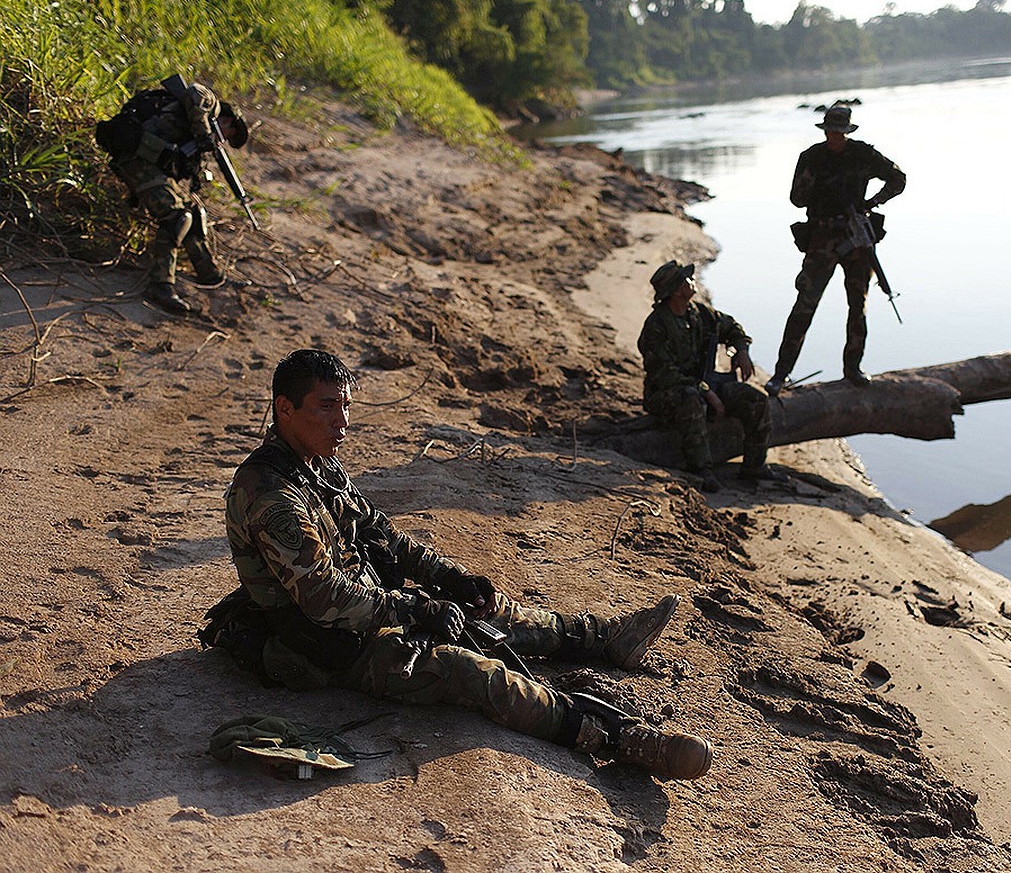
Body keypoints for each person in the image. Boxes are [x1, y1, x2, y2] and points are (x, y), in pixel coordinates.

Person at [201, 349, 712, 781]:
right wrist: (415, 610)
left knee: (484, 610)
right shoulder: (271, 494)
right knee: (471, 671)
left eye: (347, 407)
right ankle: (619, 739)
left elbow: (384, 536)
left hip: (365, 609)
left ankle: (598, 637)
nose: (343, 422)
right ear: (284, 409)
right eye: (327, 407)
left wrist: (447, 578)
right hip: (326, 646)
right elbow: (325, 600)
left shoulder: (316, 463)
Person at [765, 104, 906, 393]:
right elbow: (797, 199)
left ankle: (853, 368)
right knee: (805, 304)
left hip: (855, 237)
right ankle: (781, 373)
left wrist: (872, 203)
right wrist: (816, 185)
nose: (834, 137)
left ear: (847, 131)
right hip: (822, 237)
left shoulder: (863, 154)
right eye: (830, 131)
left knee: (858, 306)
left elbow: (898, 179)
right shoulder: (812, 158)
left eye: (839, 132)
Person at [97, 79, 249, 315]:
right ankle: (161, 285)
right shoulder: (210, 104)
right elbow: (195, 92)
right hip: (137, 159)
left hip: (150, 163)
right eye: (228, 135)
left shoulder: (193, 128)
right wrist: (203, 133)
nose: (223, 141)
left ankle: (210, 275)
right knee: (176, 217)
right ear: (229, 121)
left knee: (194, 212)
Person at [637, 260, 774, 493]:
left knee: (756, 399)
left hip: (706, 385)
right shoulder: (657, 326)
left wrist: (741, 350)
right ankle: (701, 470)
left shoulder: (700, 314)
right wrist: (706, 391)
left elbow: (732, 328)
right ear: (677, 290)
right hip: (667, 393)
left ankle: (754, 466)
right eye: (686, 280)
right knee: (691, 400)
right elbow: (664, 374)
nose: (692, 282)